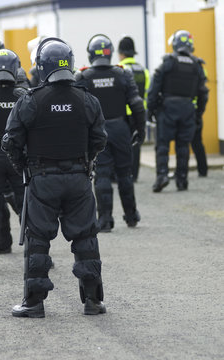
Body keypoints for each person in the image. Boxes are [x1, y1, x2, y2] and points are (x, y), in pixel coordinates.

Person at [2, 37, 107, 318]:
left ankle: (34, 304)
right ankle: (93, 301)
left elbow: (10, 141)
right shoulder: (87, 100)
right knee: (86, 238)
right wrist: (85, 162)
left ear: (41, 66)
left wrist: (25, 166)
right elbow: (99, 139)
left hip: (42, 178)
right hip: (79, 178)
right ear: (70, 64)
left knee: (37, 240)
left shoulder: (31, 100)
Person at [75, 34, 145, 232]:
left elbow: (77, 110)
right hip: (121, 129)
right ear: (111, 53)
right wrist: (140, 131)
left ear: (90, 54)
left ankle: (105, 220)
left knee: (103, 174)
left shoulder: (83, 76)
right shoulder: (123, 74)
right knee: (125, 173)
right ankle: (131, 216)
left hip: (97, 131)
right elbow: (137, 105)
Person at [147, 29, 208, 192]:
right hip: (188, 109)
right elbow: (203, 93)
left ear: (175, 44)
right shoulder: (197, 65)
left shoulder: (168, 62)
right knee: (183, 146)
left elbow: (153, 89)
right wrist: (198, 113)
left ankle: (162, 175)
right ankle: (182, 180)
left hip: (167, 108)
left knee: (163, 145)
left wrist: (150, 110)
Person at [0, 48, 26, 254]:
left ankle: (2, 243)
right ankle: (35, 248)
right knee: (26, 203)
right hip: (18, 156)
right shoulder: (24, 95)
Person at [118, 36, 150, 182]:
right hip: (139, 112)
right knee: (136, 143)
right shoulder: (143, 70)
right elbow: (147, 92)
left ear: (121, 53)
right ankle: (135, 175)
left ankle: (124, 173)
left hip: (124, 112)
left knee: (122, 143)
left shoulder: (120, 69)